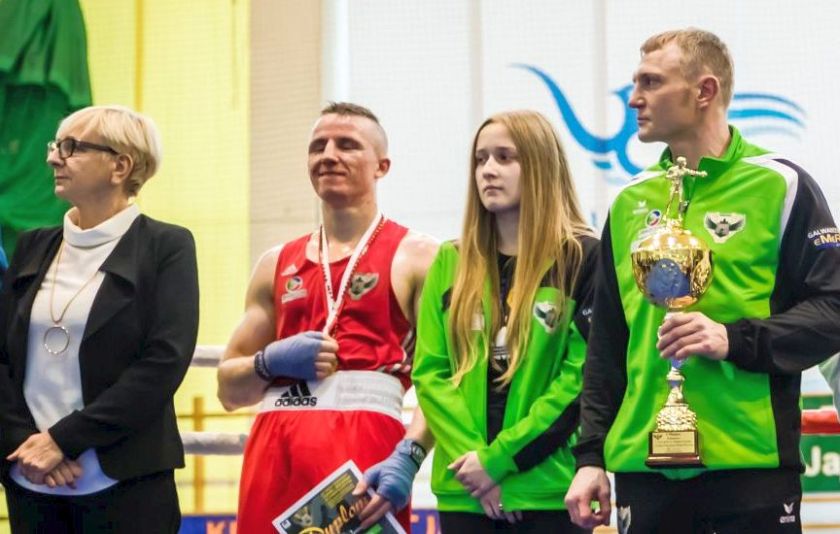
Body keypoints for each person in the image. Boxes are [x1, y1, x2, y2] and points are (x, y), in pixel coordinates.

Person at [565, 28, 840, 533]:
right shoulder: (628, 203)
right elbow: (607, 342)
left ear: (704, 91)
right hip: (643, 471)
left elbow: (833, 311)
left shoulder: (780, 184)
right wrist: (590, 456)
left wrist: (733, 338)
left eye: (651, 82)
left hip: (750, 467)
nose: (634, 98)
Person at [217, 102, 438, 533]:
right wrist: (268, 362)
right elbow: (228, 390)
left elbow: (447, 377)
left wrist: (410, 456)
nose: (329, 155)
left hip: (365, 448)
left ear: (382, 166)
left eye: (347, 145)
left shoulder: (419, 256)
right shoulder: (275, 264)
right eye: (318, 146)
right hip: (275, 448)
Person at [0, 105, 199, 533]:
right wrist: (25, 443)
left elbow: (163, 363)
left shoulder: (167, 246)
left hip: (126, 482)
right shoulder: (32, 246)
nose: (53, 158)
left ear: (120, 166)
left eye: (71, 147)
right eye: (55, 145)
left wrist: (63, 441)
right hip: (31, 480)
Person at [412, 110, 598, 533]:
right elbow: (431, 374)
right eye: (480, 160)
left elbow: (580, 378)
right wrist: (477, 468)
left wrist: (499, 461)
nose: (488, 171)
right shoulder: (450, 260)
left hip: (546, 488)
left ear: (540, 165)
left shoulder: (582, 257)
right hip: (464, 490)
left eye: (504, 157)